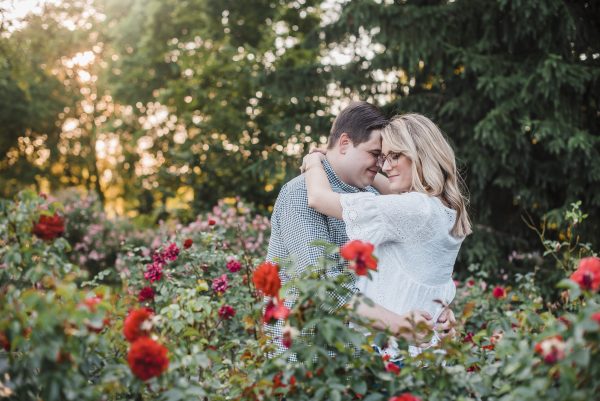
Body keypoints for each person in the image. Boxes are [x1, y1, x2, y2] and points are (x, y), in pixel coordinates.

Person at [265, 102, 455, 355]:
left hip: (358, 356)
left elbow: (410, 262)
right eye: (376, 154)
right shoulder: (300, 194)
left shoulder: (371, 194)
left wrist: (435, 308)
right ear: (344, 143)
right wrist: (400, 325)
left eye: (388, 157)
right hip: (306, 353)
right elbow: (322, 288)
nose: (382, 165)